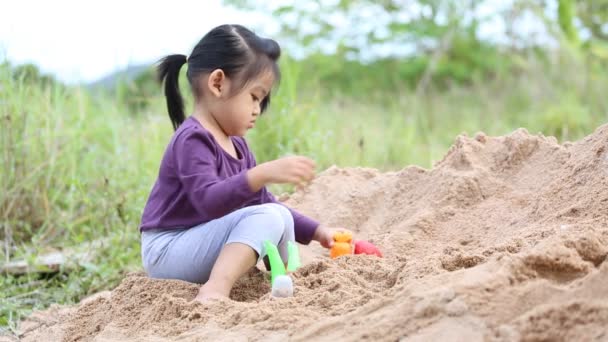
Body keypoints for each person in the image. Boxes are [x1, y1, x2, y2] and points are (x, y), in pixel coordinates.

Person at [139, 24, 342, 303]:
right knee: (267, 215)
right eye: (255, 97)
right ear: (218, 83)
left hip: (199, 243)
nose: (258, 109)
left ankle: (284, 277)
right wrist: (260, 174)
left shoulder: (238, 145)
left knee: (276, 213)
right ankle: (215, 289)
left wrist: (320, 232)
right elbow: (208, 201)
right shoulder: (192, 139)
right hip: (168, 250)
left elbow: (265, 203)